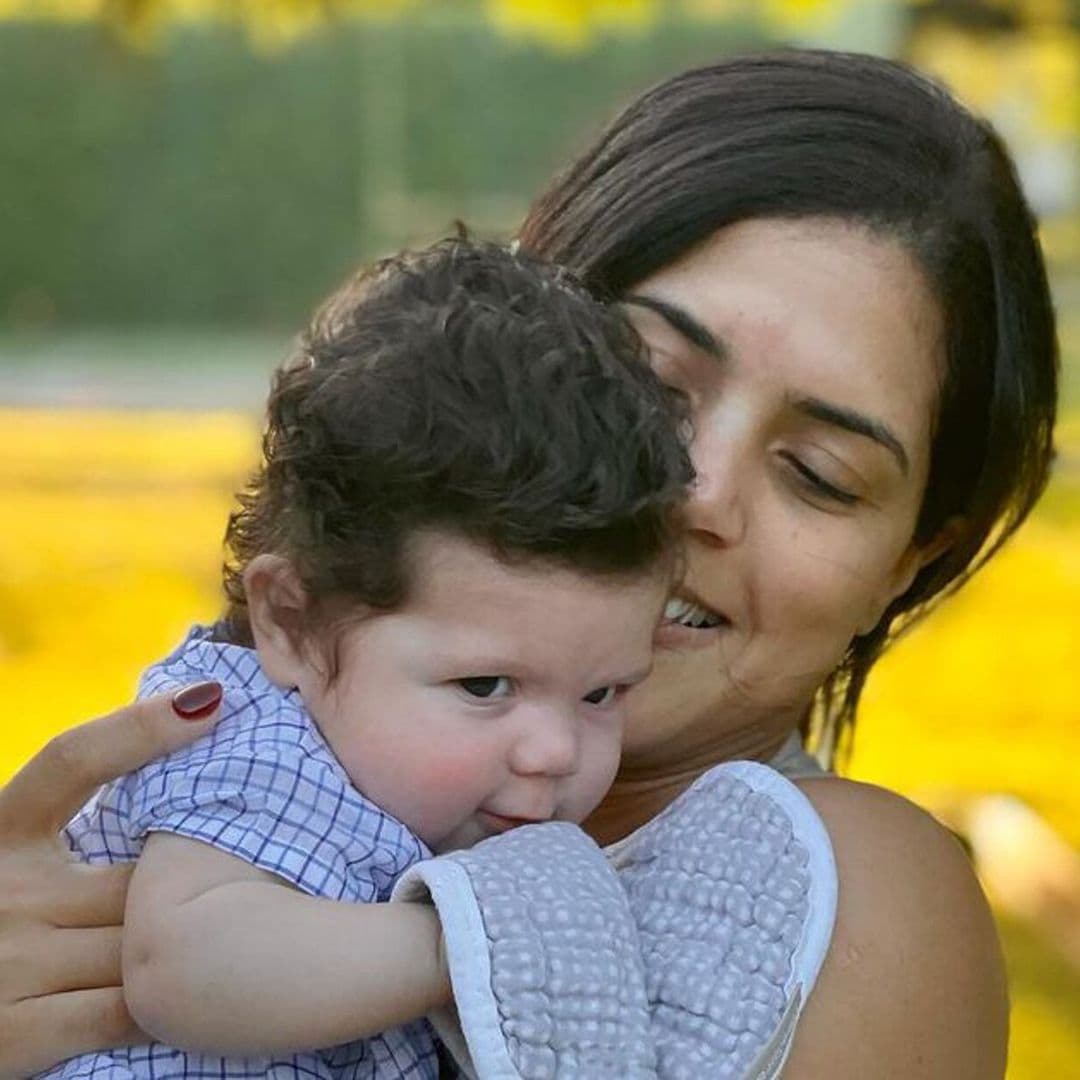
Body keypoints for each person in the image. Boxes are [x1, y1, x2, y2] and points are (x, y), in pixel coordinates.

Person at [0, 48, 1058, 1079]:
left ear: (912, 563)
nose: (693, 493)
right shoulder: (279, 762)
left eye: (819, 473)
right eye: (646, 383)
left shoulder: (840, 895)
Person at [30, 239, 690, 1078]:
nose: (557, 751)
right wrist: (482, 938)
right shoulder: (256, 746)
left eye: (602, 692)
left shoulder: (407, 779)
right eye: (485, 685)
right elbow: (184, 971)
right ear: (291, 624)